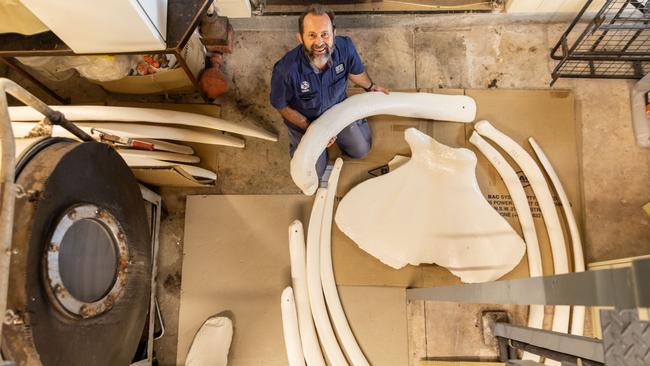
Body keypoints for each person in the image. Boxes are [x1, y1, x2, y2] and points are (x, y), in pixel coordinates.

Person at [270, 3, 388, 179]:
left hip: (338, 111)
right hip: (306, 122)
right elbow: (282, 106)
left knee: (361, 150)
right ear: (300, 37)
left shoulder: (345, 47)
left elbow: (355, 72)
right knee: (314, 174)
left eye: (325, 34)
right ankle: (299, 145)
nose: (319, 42)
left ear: (334, 33)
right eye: (312, 35)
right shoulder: (285, 70)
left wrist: (370, 87)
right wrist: (313, 129)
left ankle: (351, 127)